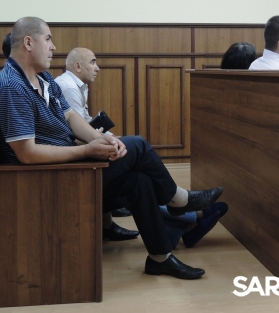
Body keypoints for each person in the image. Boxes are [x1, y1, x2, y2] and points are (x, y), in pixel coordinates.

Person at [0, 17, 224, 279]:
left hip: (65, 167)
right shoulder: (12, 86)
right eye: (48, 39)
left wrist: (98, 140)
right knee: (138, 144)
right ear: (28, 43)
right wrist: (86, 151)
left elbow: (70, 116)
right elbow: (27, 154)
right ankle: (179, 200)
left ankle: (160, 258)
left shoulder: (42, 77)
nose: (53, 47)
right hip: (46, 180)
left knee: (139, 181)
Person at [55, 47, 228, 249]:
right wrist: (109, 141)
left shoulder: (73, 85)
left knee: (138, 174)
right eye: (93, 62)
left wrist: (112, 139)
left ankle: (184, 220)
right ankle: (188, 211)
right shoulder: (68, 87)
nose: (98, 68)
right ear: (77, 66)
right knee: (136, 156)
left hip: (79, 153)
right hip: (73, 162)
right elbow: (77, 134)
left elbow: (84, 125)